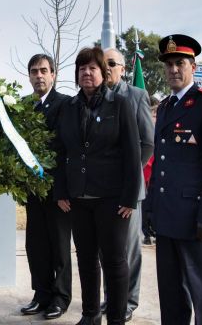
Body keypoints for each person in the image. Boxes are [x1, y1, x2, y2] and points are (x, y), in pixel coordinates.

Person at [146, 34, 202, 325]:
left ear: (193, 66)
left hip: (196, 219)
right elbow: (161, 164)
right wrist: (150, 210)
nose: (173, 69)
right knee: (171, 295)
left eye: (179, 63)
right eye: (169, 64)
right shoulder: (167, 107)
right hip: (168, 218)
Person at [53, 47, 141, 325]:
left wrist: (130, 196)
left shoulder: (120, 104)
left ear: (104, 73)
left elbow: (132, 153)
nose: (86, 73)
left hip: (112, 199)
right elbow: (59, 152)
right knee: (86, 260)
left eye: (92, 68)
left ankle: (116, 318)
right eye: (82, 69)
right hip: (78, 197)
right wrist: (61, 190)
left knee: (114, 262)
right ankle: (90, 315)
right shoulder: (67, 108)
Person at [100, 48, 154, 322]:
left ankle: (128, 302)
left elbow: (147, 141)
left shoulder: (136, 95)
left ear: (122, 68)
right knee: (108, 250)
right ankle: (111, 299)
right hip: (102, 192)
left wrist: (129, 176)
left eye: (111, 63)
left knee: (129, 250)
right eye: (103, 63)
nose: (106, 68)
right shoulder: (96, 98)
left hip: (129, 190)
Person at [20, 54, 72, 320]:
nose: (38, 76)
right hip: (33, 190)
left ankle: (60, 298)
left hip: (57, 191)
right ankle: (41, 294)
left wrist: (62, 191)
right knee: (36, 245)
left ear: (53, 74)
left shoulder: (65, 104)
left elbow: (64, 150)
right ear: (28, 76)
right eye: (33, 71)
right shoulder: (23, 106)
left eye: (43, 71)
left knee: (59, 246)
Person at [142, 98, 159, 246]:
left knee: (155, 204)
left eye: (156, 114)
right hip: (145, 170)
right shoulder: (144, 129)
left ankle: (154, 229)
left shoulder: (162, 130)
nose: (155, 118)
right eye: (152, 114)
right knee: (145, 205)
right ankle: (146, 232)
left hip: (157, 171)